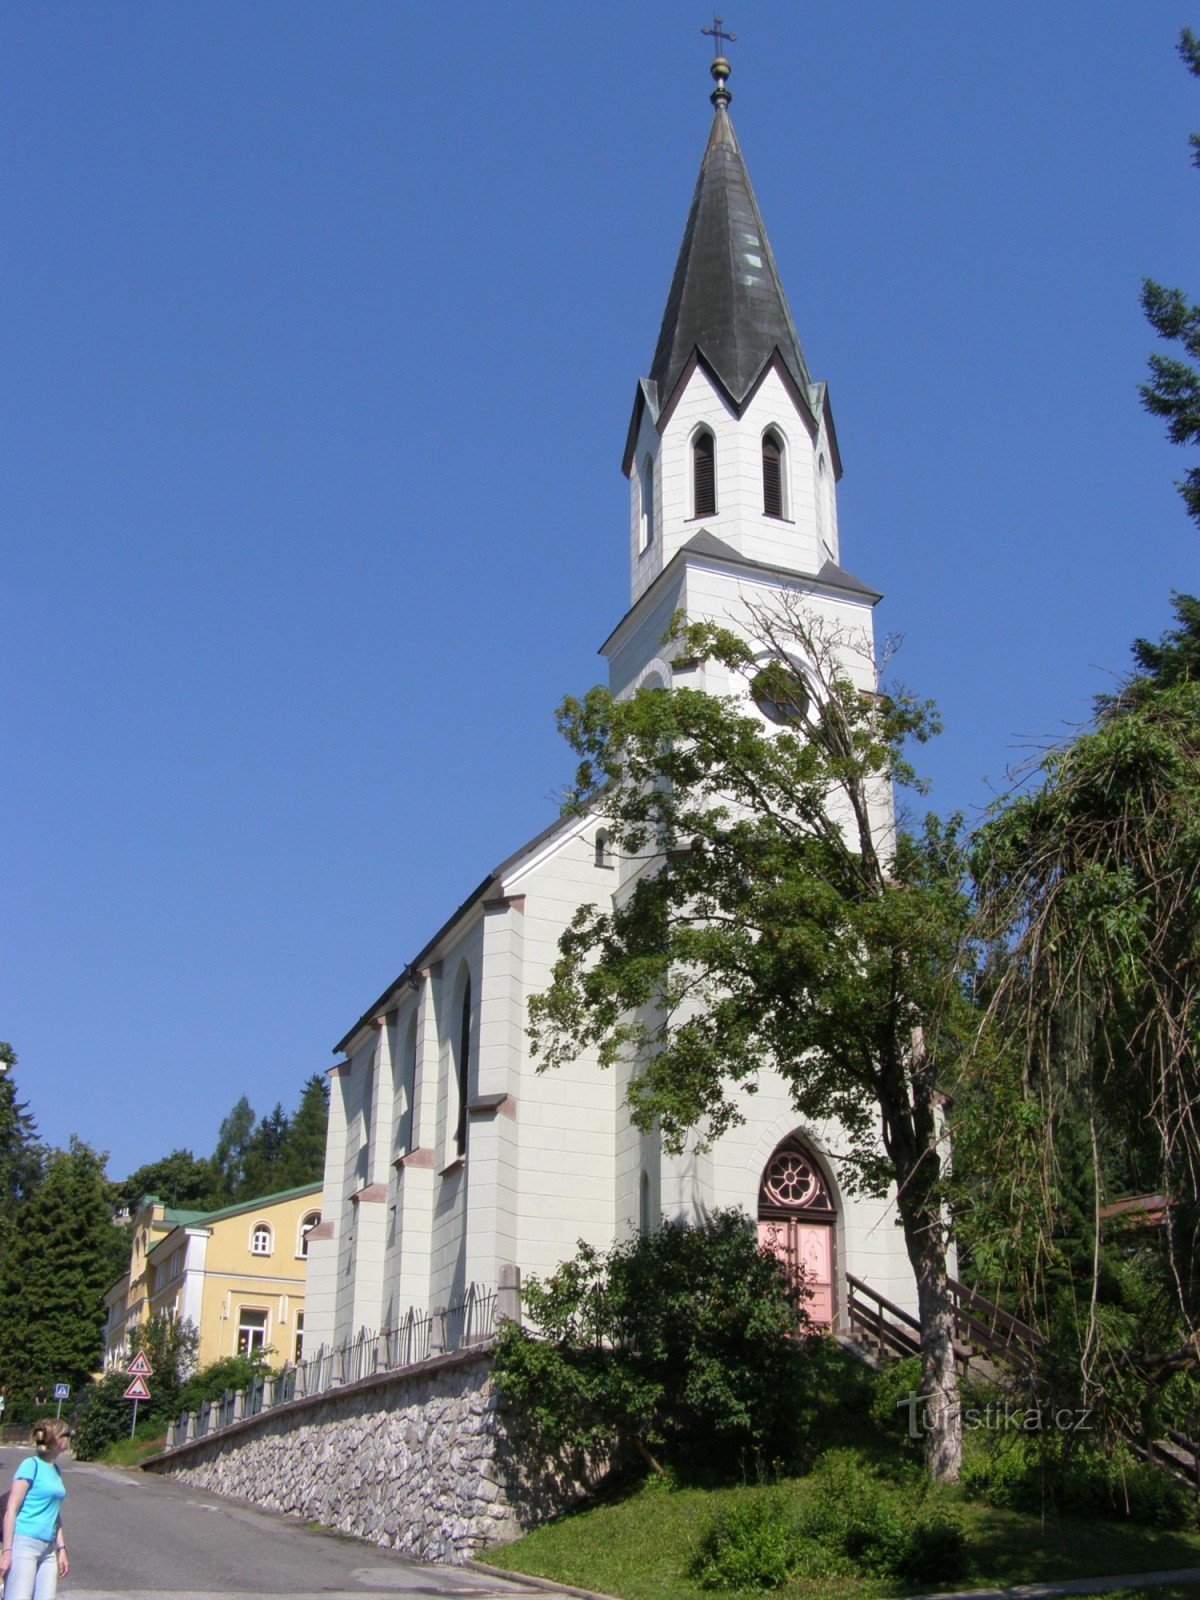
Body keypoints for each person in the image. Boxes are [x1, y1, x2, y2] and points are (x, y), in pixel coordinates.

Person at [0, 1419, 69, 1600]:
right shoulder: (31, 1465)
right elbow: (11, 1509)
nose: (69, 1437)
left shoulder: (56, 1470)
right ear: (53, 1440)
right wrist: (7, 1552)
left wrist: (61, 1548)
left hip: (47, 1548)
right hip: (24, 1543)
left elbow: (55, 1512)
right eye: (65, 1434)